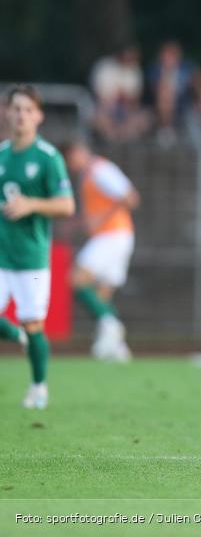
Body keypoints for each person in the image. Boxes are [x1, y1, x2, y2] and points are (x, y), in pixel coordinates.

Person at [0, 85, 75, 409]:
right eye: (16, 108)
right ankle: (16, 336)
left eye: (28, 109)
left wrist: (32, 204)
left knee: (34, 324)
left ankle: (39, 385)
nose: (21, 115)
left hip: (31, 258)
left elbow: (67, 205)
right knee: (24, 329)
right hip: (1, 254)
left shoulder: (48, 158)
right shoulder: (1, 154)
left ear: (39, 116)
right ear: (7, 112)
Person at [62, 141, 138, 362]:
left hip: (112, 235)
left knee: (77, 279)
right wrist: (76, 224)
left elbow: (130, 197)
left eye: (69, 160)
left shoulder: (100, 169)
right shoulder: (89, 174)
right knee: (102, 294)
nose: (70, 166)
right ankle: (117, 347)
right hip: (117, 235)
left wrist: (100, 219)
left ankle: (112, 326)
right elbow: (95, 213)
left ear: (77, 152)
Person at [146, 40, 201, 146]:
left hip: (184, 105)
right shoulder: (155, 70)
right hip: (159, 107)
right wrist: (167, 73)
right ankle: (166, 130)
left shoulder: (186, 68)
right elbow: (158, 89)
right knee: (165, 97)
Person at [90, 43, 152, 142]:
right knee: (100, 118)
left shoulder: (135, 69)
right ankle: (113, 141)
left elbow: (135, 98)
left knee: (144, 119)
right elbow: (99, 95)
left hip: (127, 109)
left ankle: (124, 142)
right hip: (105, 108)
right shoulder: (104, 67)